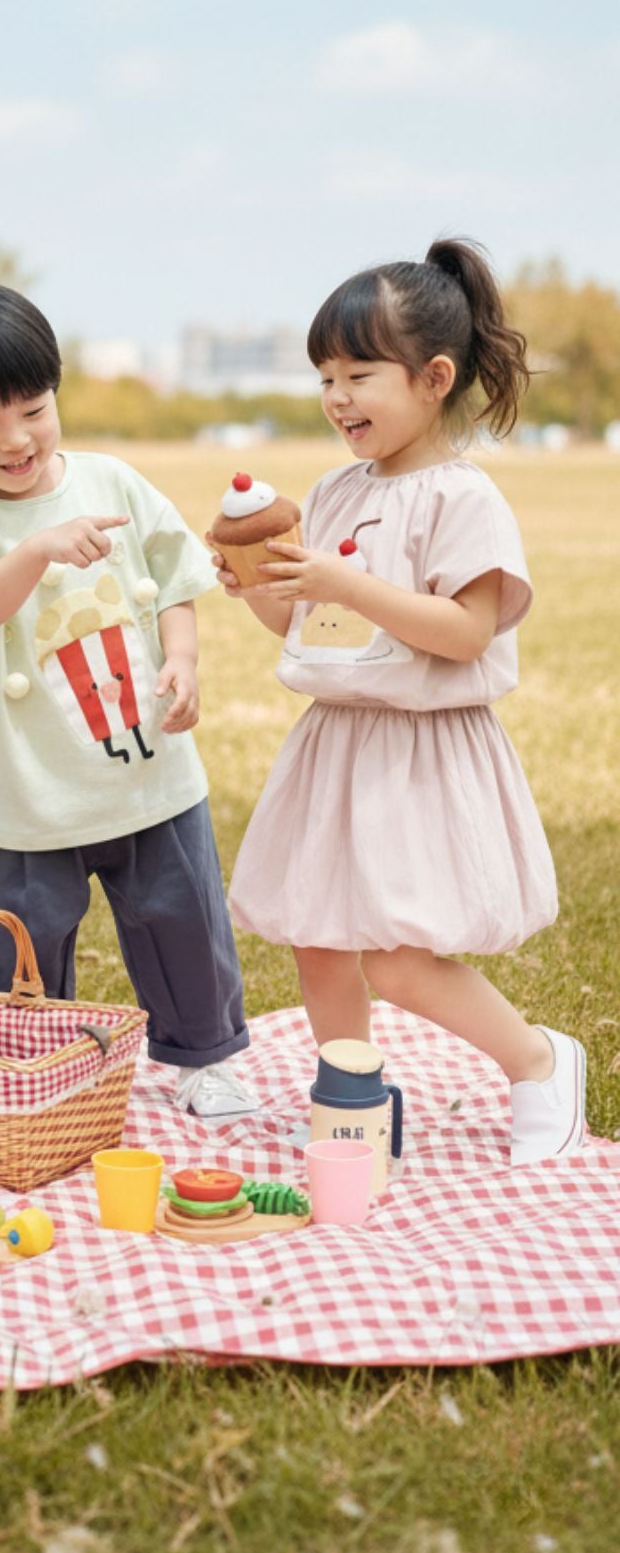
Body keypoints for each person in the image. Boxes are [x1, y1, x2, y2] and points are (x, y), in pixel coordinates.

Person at [224, 238, 584, 1165]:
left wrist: (344, 589)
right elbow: (307, 630)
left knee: (397, 954)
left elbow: (466, 631)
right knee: (317, 938)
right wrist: (259, 585)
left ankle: (541, 1061)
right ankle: (356, 1107)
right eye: (325, 377)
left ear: (433, 377)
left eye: (358, 374)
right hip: (335, 744)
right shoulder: (334, 491)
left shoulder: (463, 499)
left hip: (421, 752)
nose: (337, 397)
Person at [0, 285, 258, 1119]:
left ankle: (204, 1058)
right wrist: (37, 549)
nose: (16, 440)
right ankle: (32, 1077)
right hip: (30, 790)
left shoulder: (113, 480)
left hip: (147, 770)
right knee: (24, 945)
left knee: (182, 924)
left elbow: (173, 579)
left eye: (33, 409)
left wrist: (186, 660)